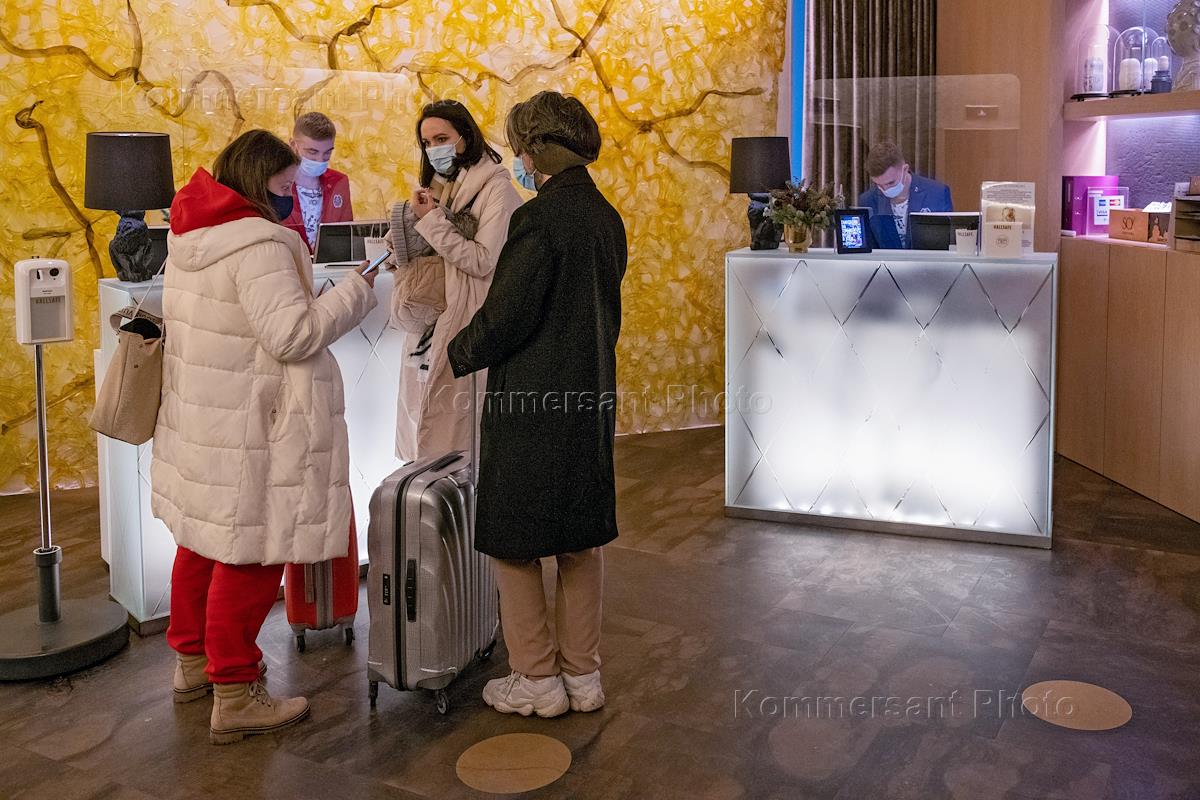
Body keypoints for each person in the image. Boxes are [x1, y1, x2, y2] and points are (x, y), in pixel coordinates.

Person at [151, 129, 378, 744]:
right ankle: (235, 692)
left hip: (207, 420)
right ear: (258, 184)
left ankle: (192, 664)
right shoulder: (261, 244)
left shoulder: (190, 233)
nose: (289, 198)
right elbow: (292, 337)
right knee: (253, 550)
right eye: (282, 186)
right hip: (257, 424)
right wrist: (356, 291)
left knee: (201, 542)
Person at [447, 91, 627, 718]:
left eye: (523, 148)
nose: (519, 158)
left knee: (515, 540)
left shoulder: (538, 220)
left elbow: (506, 317)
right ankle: (583, 675)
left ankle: (536, 679)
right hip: (588, 396)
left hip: (530, 403)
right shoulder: (606, 217)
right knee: (579, 540)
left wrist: (456, 350)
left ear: (539, 150)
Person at [386, 99, 523, 461]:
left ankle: (462, 497)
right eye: (427, 143)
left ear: (465, 136)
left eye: (441, 139)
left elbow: (482, 260)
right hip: (428, 326)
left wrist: (431, 221)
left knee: (459, 438)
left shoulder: (497, 190)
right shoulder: (437, 186)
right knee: (426, 426)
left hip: (467, 319)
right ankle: (428, 494)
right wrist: (402, 240)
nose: (434, 149)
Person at [857, 141, 952, 249]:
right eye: (879, 185)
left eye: (891, 183)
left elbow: (946, 243)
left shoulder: (936, 194)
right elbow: (869, 250)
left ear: (905, 169)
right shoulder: (868, 200)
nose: (885, 190)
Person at [283, 111, 354, 250]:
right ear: (293, 145)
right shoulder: (276, 183)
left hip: (329, 262)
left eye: (327, 152)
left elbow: (346, 235)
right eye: (312, 152)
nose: (320, 160)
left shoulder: (339, 182)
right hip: (288, 259)